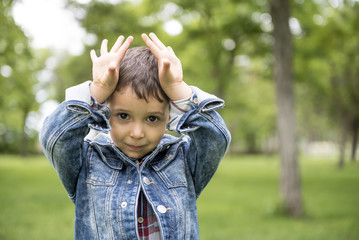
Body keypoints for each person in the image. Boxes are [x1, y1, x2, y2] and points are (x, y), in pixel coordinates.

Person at [40, 33, 231, 240]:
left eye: (152, 119)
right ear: (106, 111)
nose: (137, 133)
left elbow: (215, 138)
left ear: (169, 116)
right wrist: (97, 91)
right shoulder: (88, 162)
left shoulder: (181, 160)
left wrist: (179, 90)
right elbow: (55, 138)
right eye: (123, 116)